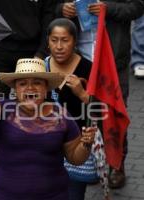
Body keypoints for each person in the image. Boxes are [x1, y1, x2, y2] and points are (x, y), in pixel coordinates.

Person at [0, 58, 97, 200]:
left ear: (46, 88)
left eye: (37, 83)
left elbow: (75, 158)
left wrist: (86, 144)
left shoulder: (62, 116)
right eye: (23, 83)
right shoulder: (2, 109)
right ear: (15, 89)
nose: (30, 87)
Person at [56, 0, 144, 189]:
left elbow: (137, 7)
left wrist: (108, 8)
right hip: (80, 57)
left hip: (112, 59)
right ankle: (87, 162)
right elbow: (54, 6)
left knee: (113, 112)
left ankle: (117, 166)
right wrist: (63, 9)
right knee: (81, 111)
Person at [0, 0, 59, 187]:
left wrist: (41, 53)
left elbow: (50, 15)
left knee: (35, 108)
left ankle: (38, 160)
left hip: (32, 51)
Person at [44, 18, 101, 200]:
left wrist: (82, 94)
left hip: (77, 149)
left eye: (65, 40)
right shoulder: (40, 70)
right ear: (48, 42)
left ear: (75, 42)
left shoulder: (88, 69)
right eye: (54, 40)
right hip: (46, 149)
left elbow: (101, 113)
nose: (59, 46)